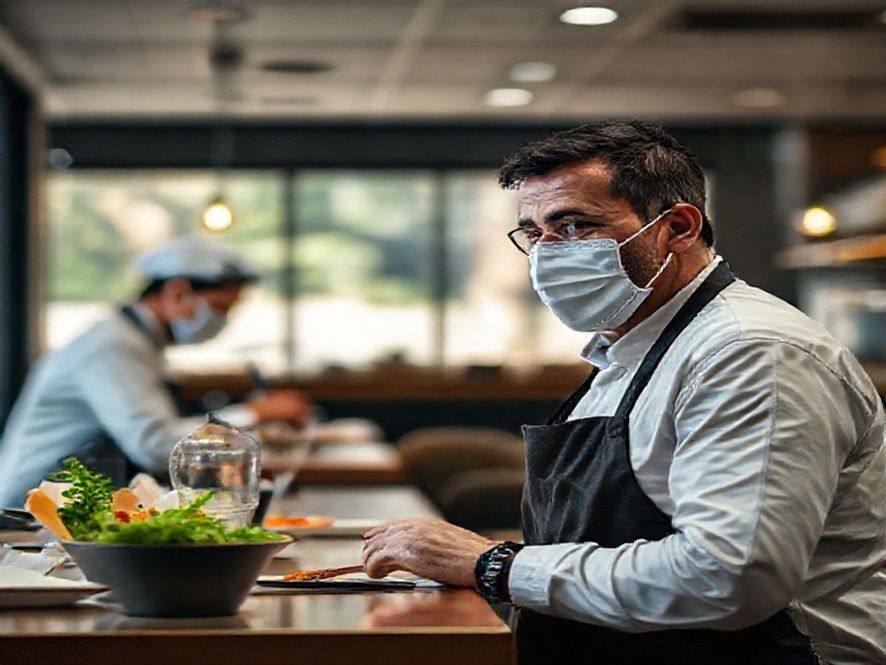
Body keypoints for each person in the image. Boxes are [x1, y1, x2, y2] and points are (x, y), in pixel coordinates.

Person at [361, 121, 885, 664]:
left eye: (574, 225)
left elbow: (728, 580)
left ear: (678, 227)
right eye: (534, 233)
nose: (547, 253)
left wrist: (493, 565)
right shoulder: (629, 348)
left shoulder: (751, 352)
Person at [0, 237, 310, 506]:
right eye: (219, 307)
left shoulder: (138, 341)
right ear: (177, 293)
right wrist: (257, 412)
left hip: (68, 512)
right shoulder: (112, 345)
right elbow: (155, 446)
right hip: (26, 521)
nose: (223, 320)